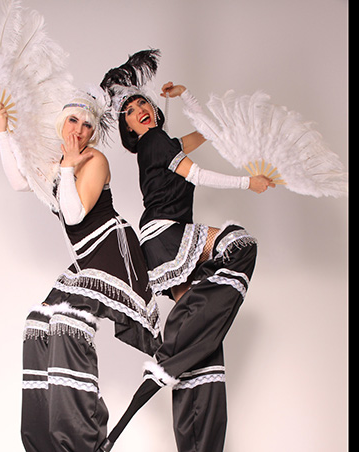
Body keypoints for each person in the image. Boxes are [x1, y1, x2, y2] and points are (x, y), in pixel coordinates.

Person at [97, 49, 274, 452]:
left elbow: (210, 132)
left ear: (156, 110)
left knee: (202, 342)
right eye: (129, 110)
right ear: (126, 128)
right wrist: (251, 182)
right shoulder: (155, 142)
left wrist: (188, 96)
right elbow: (197, 174)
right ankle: (169, 356)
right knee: (238, 243)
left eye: (143, 103)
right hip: (166, 234)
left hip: (163, 240)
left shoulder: (164, 142)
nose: (139, 109)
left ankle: (179, 376)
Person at [0, 93, 162, 452]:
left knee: (68, 324)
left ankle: (80, 442)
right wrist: (1, 132)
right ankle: (43, 442)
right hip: (86, 260)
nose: (80, 131)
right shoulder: (58, 161)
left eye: (87, 125)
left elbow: (74, 215)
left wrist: (69, 166)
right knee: (37, 323)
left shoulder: (93, 159)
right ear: (61, 123)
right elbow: (21, 181)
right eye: (73, 122)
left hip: (112, 253)